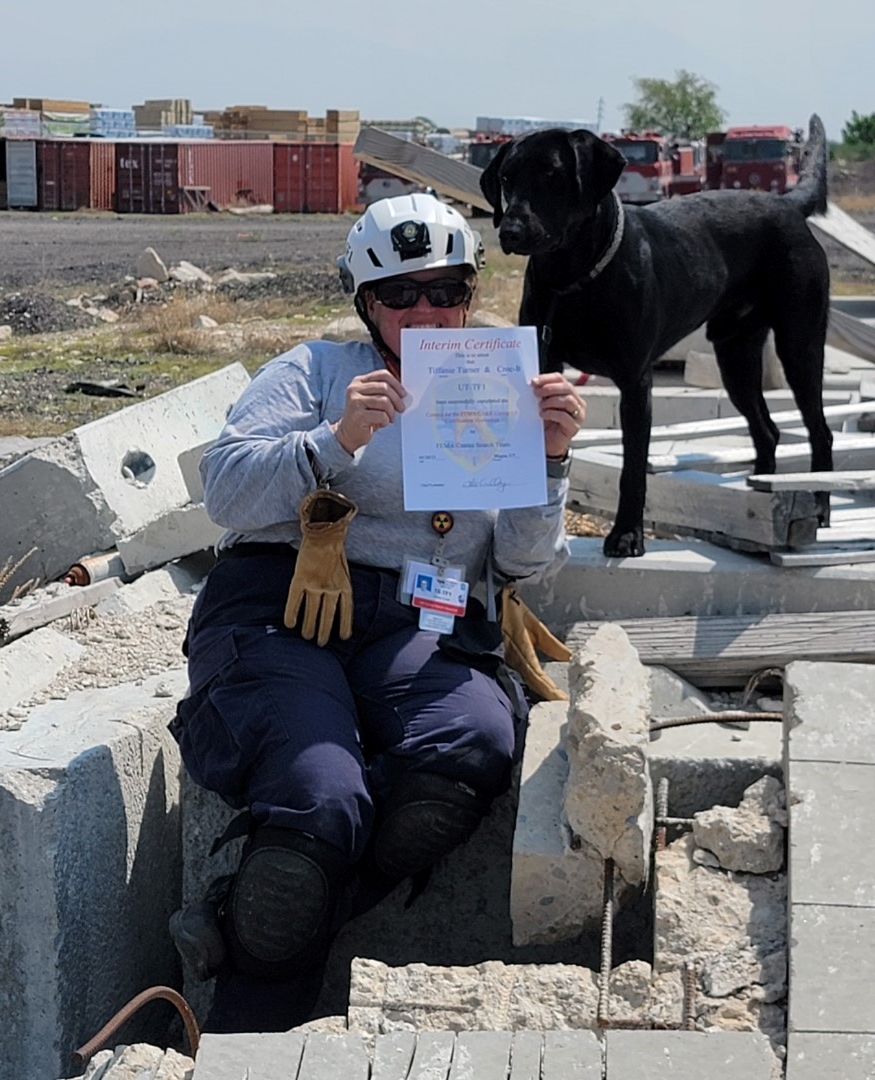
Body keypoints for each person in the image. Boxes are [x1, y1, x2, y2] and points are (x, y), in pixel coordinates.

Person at [166, 192, 587, 1033]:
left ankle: (243, 911)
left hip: (421, 619)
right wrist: (333, 441)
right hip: (285, 605)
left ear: (471, 295)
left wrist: (550, 462)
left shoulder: (498, 386)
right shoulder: (316, 371)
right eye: (402, 294)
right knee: (320, 790)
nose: (426, 310)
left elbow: (520, 563)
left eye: (447, 290)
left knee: (471, 741)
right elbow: (225, 491)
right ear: (367, 301)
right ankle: (248, 1035)